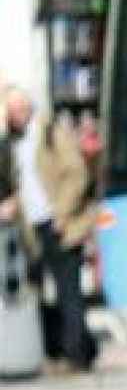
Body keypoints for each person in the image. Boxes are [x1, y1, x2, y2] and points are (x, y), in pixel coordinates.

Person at [0, 87, 98, 373]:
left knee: (68, 291)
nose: (15, 115)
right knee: (34, 292)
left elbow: (77, 173)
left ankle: (76, 354)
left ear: (28, 108)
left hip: (60, 224)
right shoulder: (11, 144)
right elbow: (17, 184)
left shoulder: (50, 133)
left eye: (18, 109)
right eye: (10, 111)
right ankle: (50, 349)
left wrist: (62, 213)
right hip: (30, 228)